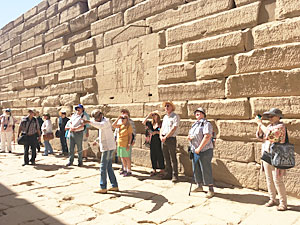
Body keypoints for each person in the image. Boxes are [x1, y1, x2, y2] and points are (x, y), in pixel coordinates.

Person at [255, 108, 288, 211]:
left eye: (272, 116)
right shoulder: (269, 126)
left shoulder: (281, 126)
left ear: (278, 116)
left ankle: (283, 203)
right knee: (269, 179)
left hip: (276, 157)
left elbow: (271, 135)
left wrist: (260, 124)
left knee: (277, 180)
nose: (270, 118)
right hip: (267, 155)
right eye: (269, 116)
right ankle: (272, 198)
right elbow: (261, 137)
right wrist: (259, 127)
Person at [84, 109, 118, 194]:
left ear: (100, 116)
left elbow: (101, 126)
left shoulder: (106, 121)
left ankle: (103, 187)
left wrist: (88, 122)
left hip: (108, 148)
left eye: (96, 118)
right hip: (108, 147)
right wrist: (97, 141)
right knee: (109, 167)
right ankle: (114, 185)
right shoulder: (102, 122)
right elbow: (105, 134)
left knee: (103, 167)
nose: (95, 120)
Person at [188, 107, 215, 198]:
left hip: (205, 150)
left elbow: (207, 136)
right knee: (196, 167)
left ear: (204, 114)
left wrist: (199, 148)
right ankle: (199, 185)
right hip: (195, 150)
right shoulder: (194, 125)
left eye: (200, 112)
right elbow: (192, 135)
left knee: (206, 169)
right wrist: (190, 138)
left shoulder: (206, 124)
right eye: (196, 112)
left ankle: (210, 189)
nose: (197, 113)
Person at [160, 101, 180, 182]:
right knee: (166, 157)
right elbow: (162, 128)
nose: (166, 107)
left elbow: (173, 128)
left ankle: (175, 175)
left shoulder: (175, 116)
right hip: (164, 138)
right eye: (165, 106)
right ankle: (168, 173)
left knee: (173, 157)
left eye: (168, 106)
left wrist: (166, 137)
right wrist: (161, 136)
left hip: (170, 138)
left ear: (172, 107)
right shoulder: (165, 117)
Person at [142, 111, 165, 176]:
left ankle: (162, 169)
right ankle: (154, 169)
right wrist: (148, 115)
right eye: (153, 115)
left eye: (155, 115)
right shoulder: (151, 123)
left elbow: (163, 130)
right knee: (153, 155)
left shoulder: (161, 123)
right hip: (152, 141)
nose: (154, 116)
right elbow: (143, 122)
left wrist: (157, 133)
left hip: (158, 140)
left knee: (160, 154)